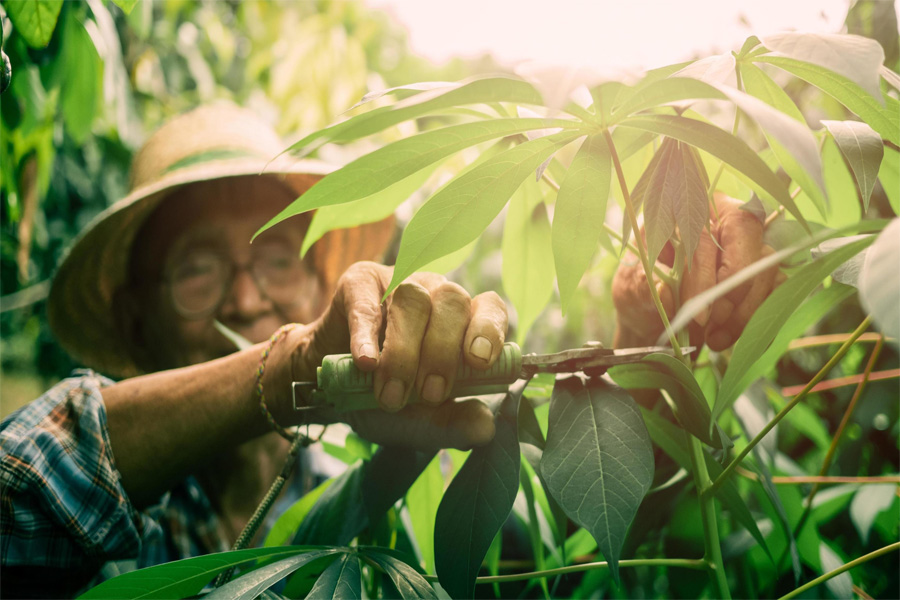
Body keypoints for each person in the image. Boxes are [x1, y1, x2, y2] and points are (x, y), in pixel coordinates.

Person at [0, 103, 777, 598]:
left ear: (318, 283)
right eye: (197, 271)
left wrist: (649, 340)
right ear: (136, 321)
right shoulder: (111, 540)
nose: (246, 300)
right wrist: (290, 369)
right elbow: (16, 504)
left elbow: (593, 539)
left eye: (275, 259)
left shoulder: (384, 478)